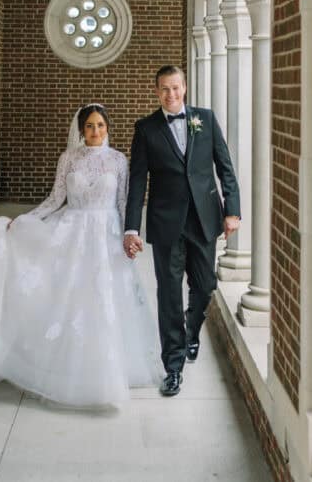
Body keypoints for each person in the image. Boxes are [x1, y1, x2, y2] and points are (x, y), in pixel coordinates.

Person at [0, 103, 162, 408]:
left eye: (100, 125)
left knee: (104, 300)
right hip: (72, 232)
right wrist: (23, 220)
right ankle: (61, 365)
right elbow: (55, 198)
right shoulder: (68, 158)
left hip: (106, 235)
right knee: (67, 299)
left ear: (108, 127)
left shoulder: (118, 161)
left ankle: (105, 368)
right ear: (80, 129)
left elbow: (126, 202)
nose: (95, 131)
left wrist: (131, 233)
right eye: (89, 126)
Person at [124, 66, 240, 397]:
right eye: (164, 89)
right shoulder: (145, 129)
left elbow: (225, 167)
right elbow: (137, 181)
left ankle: (191, 331)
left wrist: (232, 210)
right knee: (169, 293)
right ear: (156, 91)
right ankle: (172, 366)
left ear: (184, 88)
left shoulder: (205, 118)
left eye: (175, 88)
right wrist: (132, 226)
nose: (170, 94)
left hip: (205, 218)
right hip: (165, 223)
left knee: (205, 285)